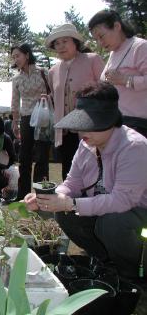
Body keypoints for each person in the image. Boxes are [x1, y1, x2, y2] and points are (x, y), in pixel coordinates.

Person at [24, 82, 147, 280]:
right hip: (110, 214)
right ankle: (105, 261)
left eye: (90, 125)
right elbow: (73, 183)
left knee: (111, 223)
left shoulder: (134, 147)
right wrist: (53, 198)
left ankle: (131, 272)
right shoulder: (87, 144)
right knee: (65, 214)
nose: (82, 132)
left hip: (138, 217)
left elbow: (123, 201)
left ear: (110, 121)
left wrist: (71, 203)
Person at [45, 24, 104, 181]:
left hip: (91, 127)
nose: (61, 46)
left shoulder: (93, 60)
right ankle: (68, 203)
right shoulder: (53, 71)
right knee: (69, 169)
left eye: (65, 41)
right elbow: (55, 95)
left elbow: (107, 91)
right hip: (64, 129)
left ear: (75, 42)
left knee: (94, 168)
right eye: (57, 43)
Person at [88, 9, 147, 137]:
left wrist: (125, 80)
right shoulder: (113, 53)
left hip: (138, 123)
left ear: (117, 26)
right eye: (96, 39)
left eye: (101, 36)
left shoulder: (140, 47)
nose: (100, 43)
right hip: (114, 122)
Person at [10, 43, 51, 200]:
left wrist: (47, 98)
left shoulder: (43, 72)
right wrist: (15, 121)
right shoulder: (16, 78)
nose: (16, 59)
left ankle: (42, 194)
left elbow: (53, 92)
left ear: (27, 55)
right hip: (26, 118)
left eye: (18, 55)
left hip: (43, 117)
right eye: (13, 57)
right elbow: (15, 101)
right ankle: (23, 194)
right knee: (24, 157)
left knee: (42, 156)